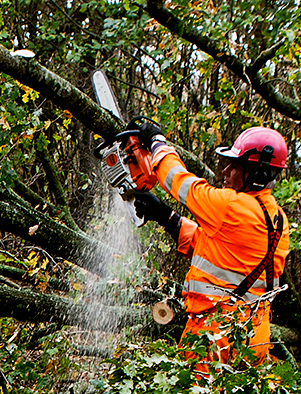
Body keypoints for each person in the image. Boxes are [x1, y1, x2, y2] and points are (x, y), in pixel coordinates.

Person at [124, 124, 291, 365]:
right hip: (254, 335)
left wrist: (156, 141)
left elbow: (180, 182)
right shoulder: (277, 218)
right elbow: (213, 248)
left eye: (236, 166)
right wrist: (165, 216)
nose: (226, 171)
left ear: (258, 174)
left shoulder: (231, 205)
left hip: (217, 335)